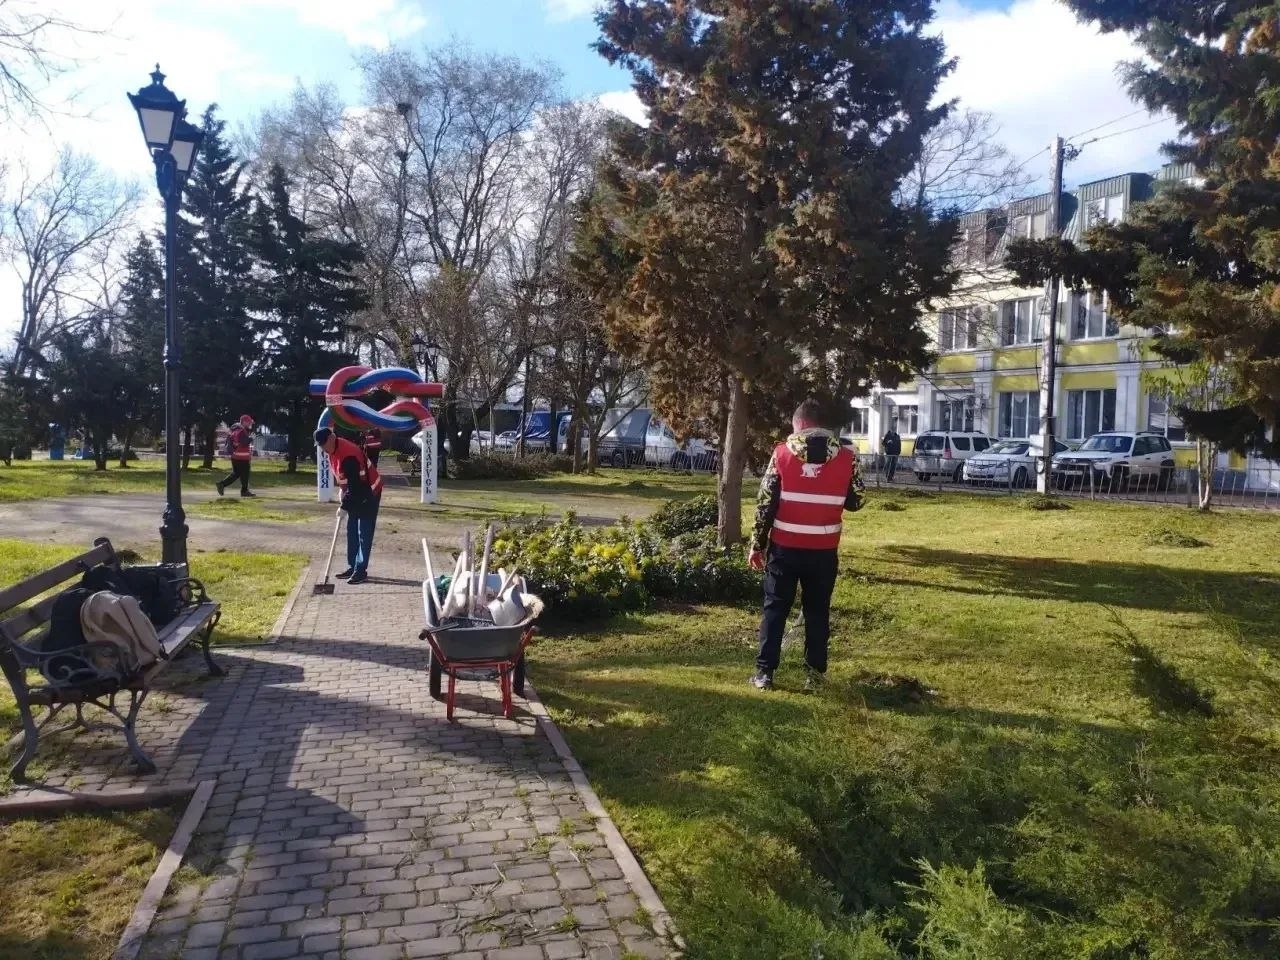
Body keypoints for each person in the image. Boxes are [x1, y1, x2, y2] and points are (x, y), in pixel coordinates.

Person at [748, 399, 865, 691]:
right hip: (824, 551)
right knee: (817, 612)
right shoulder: (848, 456)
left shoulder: (781, 454)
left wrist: (756, 544)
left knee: (775, 609)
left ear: (799, 424)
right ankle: (814, 677)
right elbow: (857, 501)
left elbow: (765, 505)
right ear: (823, 425)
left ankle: (765, 674)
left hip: (784, 549)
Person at [315, 426, 383, 585]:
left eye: (324, 444)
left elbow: (356, 486)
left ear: (332, 438)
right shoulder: (332, 451)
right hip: (355, 492)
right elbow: (344, 478)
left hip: (369, 492)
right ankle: (353, 566)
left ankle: (361, 570)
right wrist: (342, 491)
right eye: (320, 445)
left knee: (364, 532)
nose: (323, 448)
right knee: (352, 528)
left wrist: (344, 505)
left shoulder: (348, 455)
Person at [216, 415, 257, 497]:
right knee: (245, 474)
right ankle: (244, 491)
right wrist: (251, 438)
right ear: (244, 422)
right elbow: (243, 442)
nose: (250, 424)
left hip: (235, 457)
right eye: (249, 422)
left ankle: (222, 484)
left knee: (236, 474)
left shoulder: (235, 430)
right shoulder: (241, 431)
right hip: (242, 457)